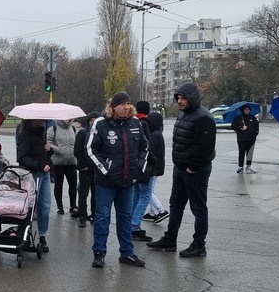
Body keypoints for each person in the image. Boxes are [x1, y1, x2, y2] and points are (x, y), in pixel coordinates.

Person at [148, 82, 216, 258]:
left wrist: (193, 167)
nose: (179, 100)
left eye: (183, 97)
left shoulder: (203, 117)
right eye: (178, 97)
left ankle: (199, 245)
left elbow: (206, 148)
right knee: (175, 205)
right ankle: (170, 239)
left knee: (198, 208)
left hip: (195, 171)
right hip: (180, 169)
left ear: (192, 98)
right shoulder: (184, 115)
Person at [87, 92, 147, 268]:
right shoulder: (101, 123)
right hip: (106, 183)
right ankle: (99, 253)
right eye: (122, 104)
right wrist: (105, 170)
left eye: (128, 103)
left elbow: (144, 147)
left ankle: (127, 253)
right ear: (113, 107)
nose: (126, 107)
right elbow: (91, 150)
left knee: (125, 217)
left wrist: (138, 168)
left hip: (127, 181)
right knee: (102, 217)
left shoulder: (136, 123)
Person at [16, 118, 52, 253]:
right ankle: (24, 233)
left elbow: (42, 154)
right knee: (30, 206)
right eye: (39, 117)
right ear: (31, 119)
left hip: (45, 173)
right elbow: (22, 157)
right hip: (32, 174)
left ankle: (43, 236)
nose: (42, 119)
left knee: (45, 205)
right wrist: (39, 164)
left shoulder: (40, 133)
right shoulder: (25, 134)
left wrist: (49, 151)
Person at [130, 102, 162, 242]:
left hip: (136, 165)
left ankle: (131, 224)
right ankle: (134, 226)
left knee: (136, 196)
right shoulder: (144, 124)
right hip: (145, 166)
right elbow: (146, 147)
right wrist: (153, 160)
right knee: (145, 196)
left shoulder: (133, 122)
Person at [46, 118, 78, 215]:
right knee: (58, 184)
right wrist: (58, 150)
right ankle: (60, 207)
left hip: (71, 161)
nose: (67, 119)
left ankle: (73, 205)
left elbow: (77, 143)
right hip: (58, 162)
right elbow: (49, 143)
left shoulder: (73, 128)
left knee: (73, 184)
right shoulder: (53, 129)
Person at [73, 112, 99, 228]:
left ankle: (94, 215)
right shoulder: (83, 133)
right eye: (91, 120)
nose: (93, 122)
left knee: (96, 194)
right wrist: (83, 165)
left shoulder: (99, 133)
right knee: (83, 193)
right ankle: (82, 217)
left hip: (97, 169)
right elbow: (77, 151)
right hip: (85, 169)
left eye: (95, 120)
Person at [232, 104, 259, 173]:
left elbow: (256, 126)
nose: (247, 111)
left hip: (251, 139)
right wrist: (240, 128)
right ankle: (240, 167)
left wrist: (255, 134)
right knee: (241, 153)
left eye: (248, 109)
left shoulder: (252, 118)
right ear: (243, 110)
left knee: (250, 154)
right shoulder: (238, 118)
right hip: (241, 139)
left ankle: (248, 167)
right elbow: (233, 127)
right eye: (246, 109)